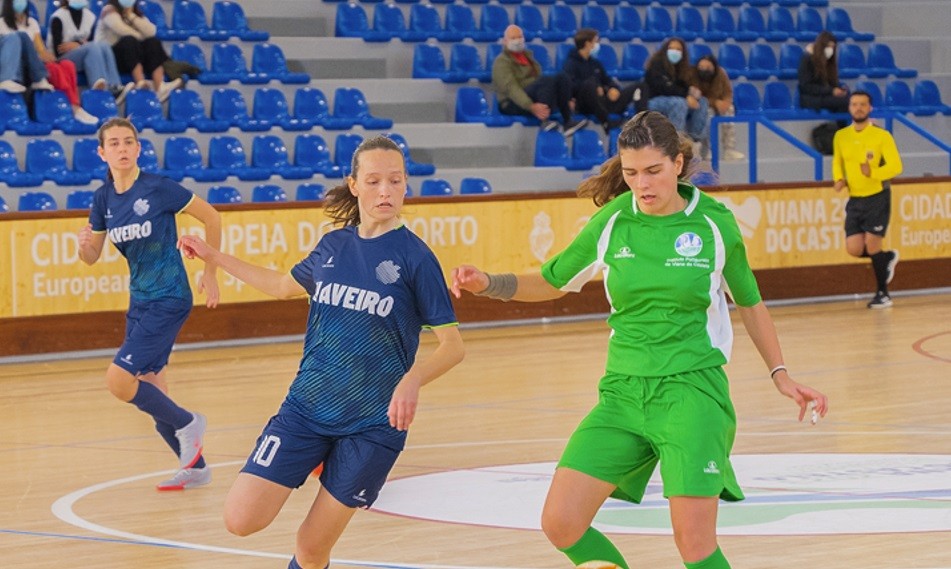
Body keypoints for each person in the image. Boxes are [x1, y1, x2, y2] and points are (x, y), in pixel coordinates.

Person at [451, 111, 829, 569]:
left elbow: (750, 303)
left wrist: (781, 374)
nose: (642, 184)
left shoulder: (714, 224)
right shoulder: (614, 221)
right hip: (623, 394)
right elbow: (553, 280)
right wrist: (487, 283)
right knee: (561, 522)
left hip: (692, 393)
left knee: (694, 544)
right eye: (631, 173)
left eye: (653, 171)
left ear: (678, 162)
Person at [177, 135, 465, 569]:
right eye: (373, 181)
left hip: (372, 426)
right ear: (353, 184)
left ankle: (331, 466)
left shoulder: (416, 258)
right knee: (240, 519)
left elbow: (453, 346)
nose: (384, 191)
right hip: (307, 409)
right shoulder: (333, 247)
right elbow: (279, 286)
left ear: (406, 185)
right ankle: (318, 458)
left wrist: (413, 379)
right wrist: (212, 255)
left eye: (395, 180)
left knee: (311, 549)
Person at [77, 117, 221, 491]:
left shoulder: (158, 188)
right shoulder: (103, 198)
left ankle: (189, 422)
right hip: (139, 301)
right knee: (151, 387)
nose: (122, 149)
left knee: (118, 380)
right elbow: (92, 255)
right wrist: (83, 247)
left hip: (170, 296)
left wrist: (211, 273)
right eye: (114, 143)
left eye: (129, 142)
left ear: (138, 148)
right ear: (102, 152)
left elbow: (212, 217)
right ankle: (195, 467)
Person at [833, 90, 903, 309]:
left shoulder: (882, 136)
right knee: (853, 248)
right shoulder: (841, 136)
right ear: (849, 108)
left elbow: (896, 167)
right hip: (855, 199)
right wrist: (839, 179)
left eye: (863, 104)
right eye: (854, 104)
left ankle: (883, 293)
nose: (858, 108)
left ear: (870, 108)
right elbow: (838, 161)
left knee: (872, 245)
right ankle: (887, 257)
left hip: (877, 197)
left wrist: (872, 173)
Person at [0, 0, 98, 123]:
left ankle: (76, 106)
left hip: (34, 63)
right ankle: (73, 107)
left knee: (67, 65)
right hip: (16, 67)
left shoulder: (31, 23)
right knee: (22, 37)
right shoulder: (1, 24)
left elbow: (40, 48)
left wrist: (47, 56)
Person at [492, 24, 587, 136]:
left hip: (533, 95)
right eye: (513, 38)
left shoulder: (528, 57)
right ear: (505, 41)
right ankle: (544, 121)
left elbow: (539, 83)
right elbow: (512, 89)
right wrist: (531, 106)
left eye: (519, 37)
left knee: (561, 77)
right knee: (545, 81)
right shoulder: (501, 62)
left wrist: (564, 100)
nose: (517, 41)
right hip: (512, 102)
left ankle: (568, 121)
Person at [94, 0, 184, 102]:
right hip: (111, 59)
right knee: (129, 40)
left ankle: (160, 87)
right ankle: (140, 82)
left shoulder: (134, 12)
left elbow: (151, 31)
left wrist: (131, 16)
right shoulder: (109, 10)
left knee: (152, 42)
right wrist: (141, 36)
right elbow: (122, 30)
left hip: (131, 57)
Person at [47, 0, 133, 103]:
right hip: (61, 59)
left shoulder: (90, 17)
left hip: (85, 55)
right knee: (92, 48)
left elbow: (93, 41)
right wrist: (82, 44)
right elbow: (59, 50)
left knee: (104, 45)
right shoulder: (58, 17)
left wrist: (77, 44)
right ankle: (99, 89)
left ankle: (116, 87)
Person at [562, 28, 642, 135]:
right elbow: (570, 86)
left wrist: (613, 88)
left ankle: (643, 124)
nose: (598, 44)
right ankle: (606, 122)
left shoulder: (595, 63)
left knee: (639, 86)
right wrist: (594, 87)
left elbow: (607, 80)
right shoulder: (570, 64)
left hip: (603, 101)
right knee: (590, 83)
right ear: (587, 43)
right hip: (584, 104)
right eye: (596, 41)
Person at [645, 37, 709, 157]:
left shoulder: (681, 68)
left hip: (674, 99)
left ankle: (695, 140)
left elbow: (681, 86)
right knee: (679, 103)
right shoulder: (656, 65)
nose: (675, 51)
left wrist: (691, 92)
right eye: (672, 48)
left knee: (702, 101)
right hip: (653, 100)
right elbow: (662, 87)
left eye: (678, 49)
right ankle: (675, 142)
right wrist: (685, 96)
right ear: (665, 50)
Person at [695, 54, 744, 161]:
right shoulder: (693, 76)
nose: (704, 70)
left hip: (720, 104)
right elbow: (698, 97)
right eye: (701, 67)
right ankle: (707, 150)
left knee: (729, 109)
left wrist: (726, 103)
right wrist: (715, 102)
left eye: (708, 67)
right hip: (702, 106)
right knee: (708, 113)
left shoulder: (721, 73)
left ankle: (729, 149)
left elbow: (728, 92)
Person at [798, 30, 848, 114]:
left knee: (852, 99)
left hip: (825, 96)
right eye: (828, 46)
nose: (830, 50)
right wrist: (831, 91)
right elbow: (805, 87)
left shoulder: (829, 63)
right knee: (846, 102)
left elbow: (832, 84)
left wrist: (839, 89)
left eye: (833, 47)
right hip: (811, 98)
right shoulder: (807, 59)